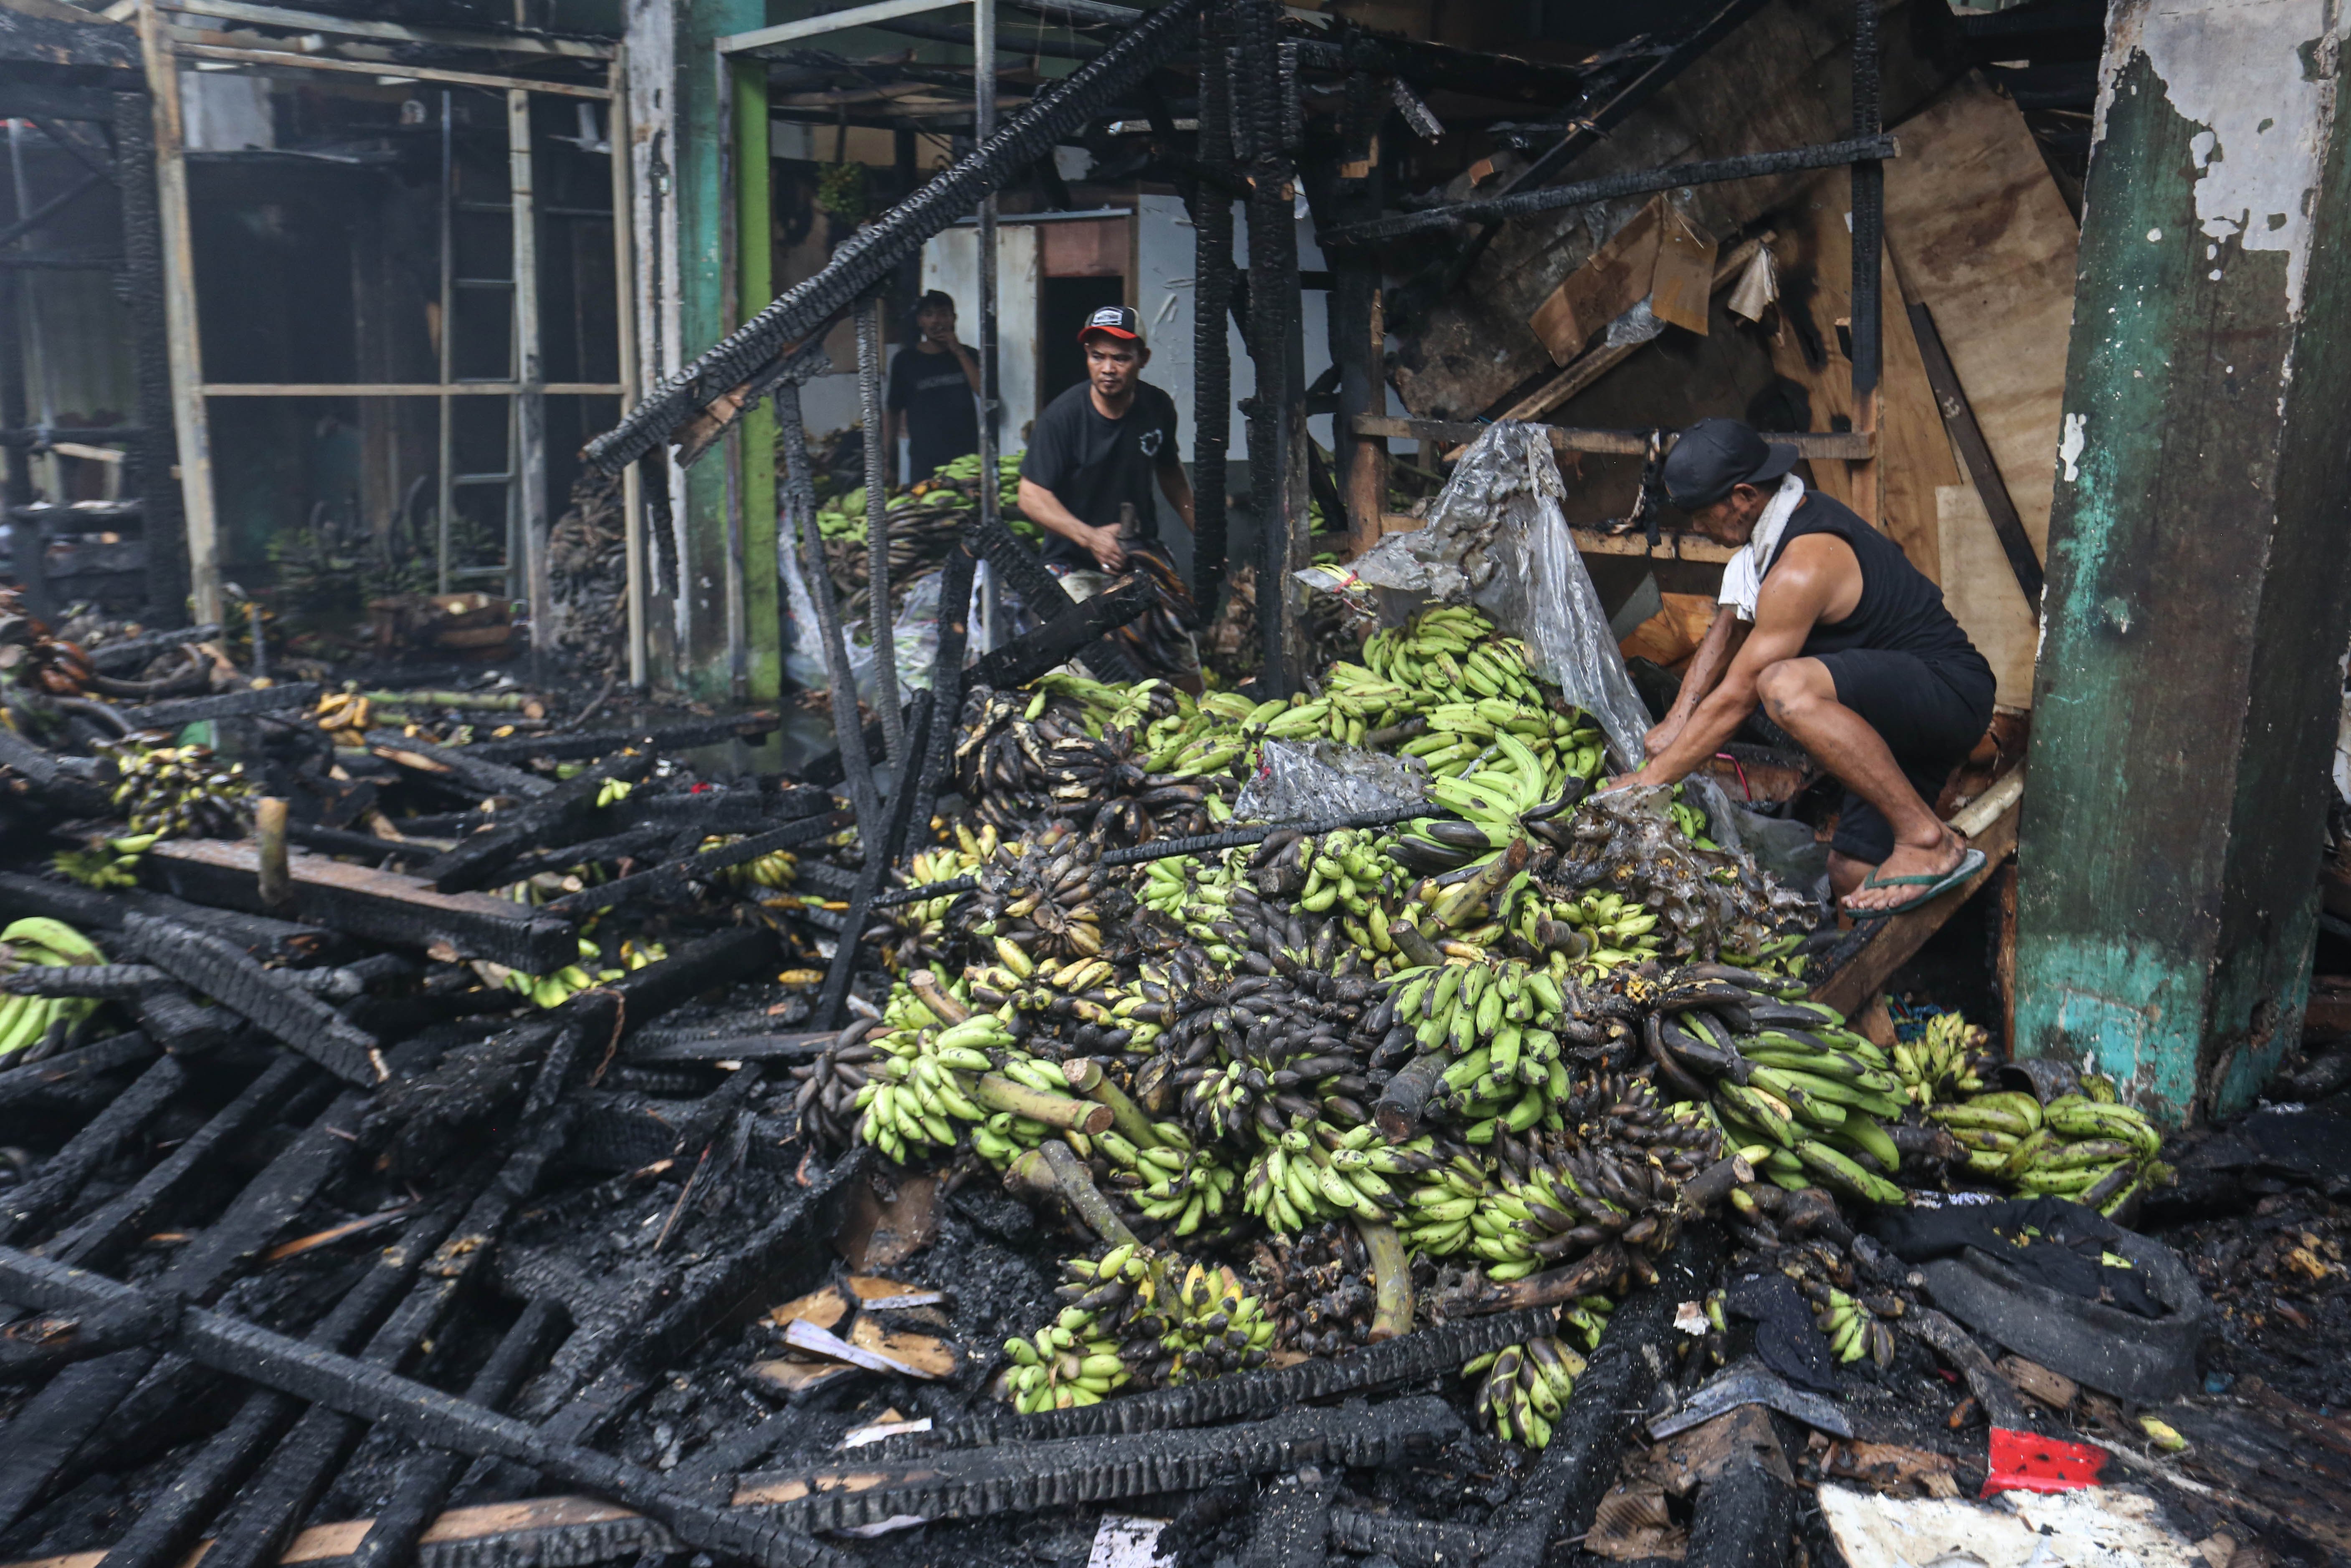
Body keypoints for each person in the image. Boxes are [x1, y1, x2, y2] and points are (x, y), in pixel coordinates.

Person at [1612, 417, 1997, 919]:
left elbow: (1740, 694)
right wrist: (1678, 719)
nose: (1696, 529)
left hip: (1950, 694)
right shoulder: (1767, 538)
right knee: (1850, 875)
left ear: (1743, 496)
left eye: (1699, 515)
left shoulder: (1802, 566)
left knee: (1783, 687)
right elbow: (1729, 629)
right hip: (1895, 724)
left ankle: (1927, 837)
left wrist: (1651, 782)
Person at [1016, 304, 1202, 692]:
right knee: (1077, 676)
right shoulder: (1062, 418)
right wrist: (1091, 537)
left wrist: (1204, 531)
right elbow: (1031, 497)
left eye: (1120, 358)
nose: (1107, 369)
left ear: (1142, 359)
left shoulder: (1157, 408)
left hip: (1138, 558)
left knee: (1181, 664)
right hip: (1072, 562)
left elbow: (1169, 470)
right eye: (1097, 356)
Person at [885, 290, 980, 483]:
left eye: (944, 314)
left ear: (954, 318)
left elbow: (984, 392)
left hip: (967, 460)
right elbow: (893, 412)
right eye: (929, 315)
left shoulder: (970, 355)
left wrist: (959, 352)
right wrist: (888, 461)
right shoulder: (905, 361)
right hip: (925, 461)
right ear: (920, 321)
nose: (937, 321)